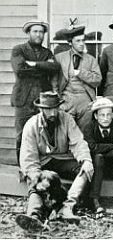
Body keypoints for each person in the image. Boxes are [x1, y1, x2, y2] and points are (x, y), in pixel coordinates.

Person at [16, 91, 94, 231]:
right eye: (48, 109)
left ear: (59, 107)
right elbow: (29, 159)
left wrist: (86, 160)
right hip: (41, 163)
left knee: (86, 170)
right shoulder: (31, 125)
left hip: (62, 159)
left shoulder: (67, 119)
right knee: (37, 182)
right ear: (41, 109)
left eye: (55, 109)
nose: (52, 113)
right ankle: (34, 216)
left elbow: (78, 142)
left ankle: (67, 207)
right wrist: (38, 179)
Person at [11, 19, 60, 166]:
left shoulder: (47, 52)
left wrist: (33, 64)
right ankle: (23, 169)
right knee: (22, 135)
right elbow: (19, 70)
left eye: (41, 32)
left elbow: (55, 68)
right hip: (23, 100)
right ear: (29, 33)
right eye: (35, 31)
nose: (39, 35)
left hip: (42, 102)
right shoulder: (18, 49)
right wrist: (44, 67)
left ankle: (38, 169)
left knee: (42, 134)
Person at [53, 25, 102, 130]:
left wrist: (80, 73)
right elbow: (54, 81)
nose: (81, 44)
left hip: (85, 100)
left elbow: (98, 80)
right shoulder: (59, 58)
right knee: (65, 131)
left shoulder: (90, 59)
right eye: (78, 41)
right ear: (70, 42)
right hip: (66, 99)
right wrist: (57, 98)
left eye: (83, 40)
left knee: (84, 133)